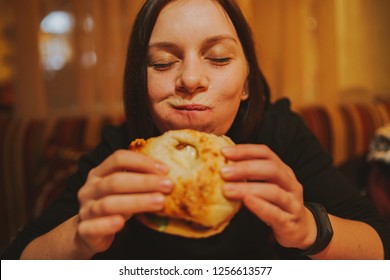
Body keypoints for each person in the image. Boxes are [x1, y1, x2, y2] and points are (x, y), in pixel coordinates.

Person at [2, 0, 390, 260]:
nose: (189, 78)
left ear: (247, 83)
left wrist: (309, 227)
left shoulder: (279, 133)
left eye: (218, 57)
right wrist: (78, 236)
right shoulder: (123, 153)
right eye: (162, 62)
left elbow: (380, 242)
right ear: (141, 84)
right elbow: (18, 258)